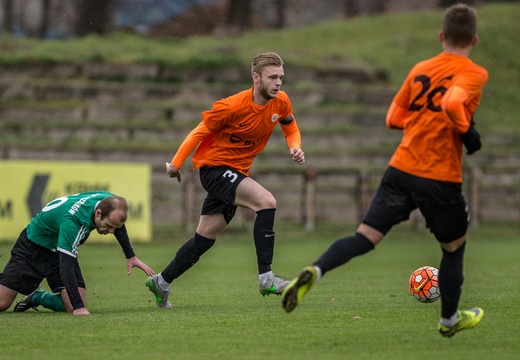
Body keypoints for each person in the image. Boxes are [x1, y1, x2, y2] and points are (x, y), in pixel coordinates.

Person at [281, 3, 488, 338]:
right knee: (454, 248)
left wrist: (424, 121)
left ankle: (316, 270)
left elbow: (393, 118)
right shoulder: (474, 72)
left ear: (441, 36)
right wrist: (468, 133)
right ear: (474, 40)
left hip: (401, 169)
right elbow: (452, 103)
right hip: (439, 176)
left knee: (364, 236)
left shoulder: (421, 68)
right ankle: (449, 320)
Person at [146, 51, 305, 308]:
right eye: (272, 77)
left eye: (281, 77)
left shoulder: (281, 101)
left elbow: (290, 127)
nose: (278, 83)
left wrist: (294, 147)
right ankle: (266, 278)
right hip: (214, 169)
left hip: (236, 172)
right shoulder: (232, 106)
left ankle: (161, 282)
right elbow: (197, 133)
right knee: (266, 201)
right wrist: (175, 165)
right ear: (256, 77)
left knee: (205, 239)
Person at [0, 192, 154, 315]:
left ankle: (37, 296)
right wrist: (79, 308)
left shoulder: (109, 202)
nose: (112, 231)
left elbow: (117, 224)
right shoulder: (74, 222)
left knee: (70, 305)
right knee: (2, 303)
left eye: (115, 227)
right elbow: (65, 267)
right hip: (33, 247)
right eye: (108, 226)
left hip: (59, 248)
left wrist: (130, 256)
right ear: (98, 213)